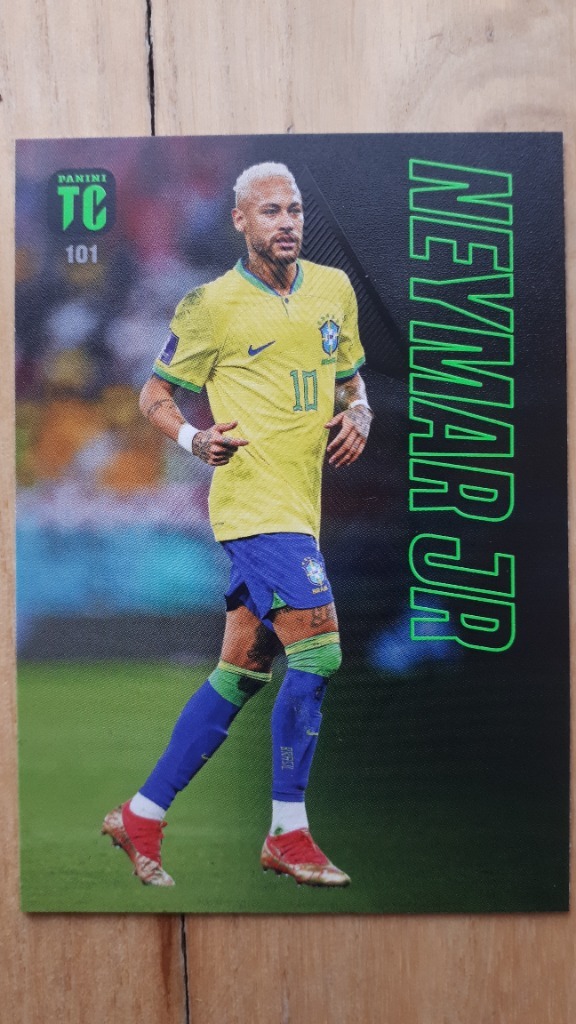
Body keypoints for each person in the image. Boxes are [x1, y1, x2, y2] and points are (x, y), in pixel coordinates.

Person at [102, 162, 373, 888]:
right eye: (270, 211)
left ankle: (141, 814)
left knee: (242, 672)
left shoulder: (333, 289)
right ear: (240, 221)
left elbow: (350, 379)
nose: (286, 222)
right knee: (319, 652)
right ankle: (288, 832)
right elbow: (153, 395)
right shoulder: (210, 305)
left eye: (294, 210)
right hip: (254, 506)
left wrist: (361, 412)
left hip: (301, 508)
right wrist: (195, 440)